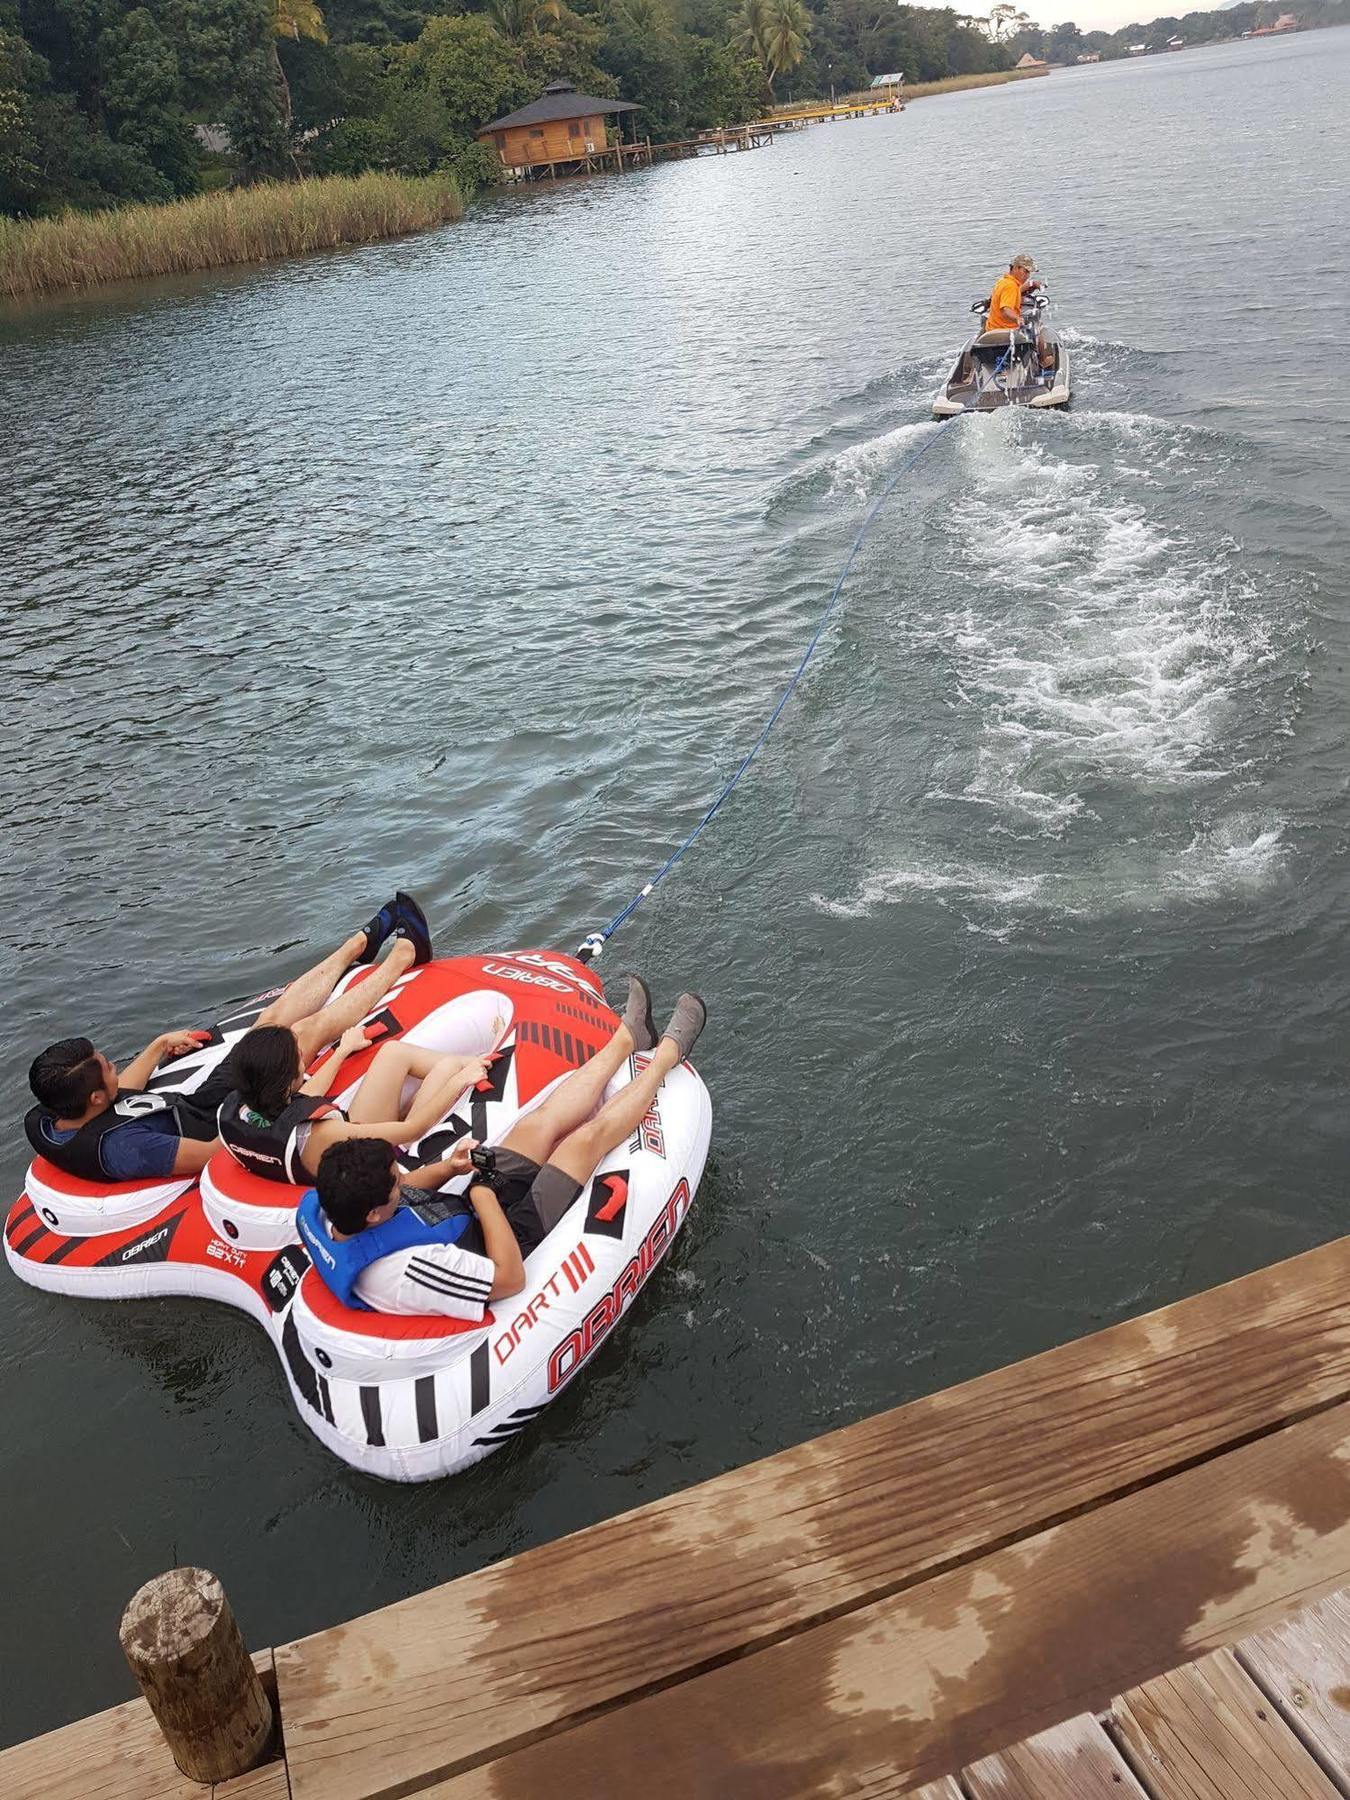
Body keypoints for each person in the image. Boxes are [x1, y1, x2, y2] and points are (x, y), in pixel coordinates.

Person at [300, 976, 707, 1319]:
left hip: (471, 1211)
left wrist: (450, 1169)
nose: (399, 1180)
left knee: (538, 1125)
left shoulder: (339, 1203)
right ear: (372, 1214)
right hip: (508, 1243)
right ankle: (667, 1056)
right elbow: (510, 1278)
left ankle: (627, 1038)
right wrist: (483, 1196)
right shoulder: (406, 1272)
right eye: (392, 1183)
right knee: (583, 1142)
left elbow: (407, 1186)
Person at [25, 892, 432, 1184]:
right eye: (107, 1066)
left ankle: (356, 947)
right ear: (93, 1097)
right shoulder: (127, 1148)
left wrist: (157, 1046)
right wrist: (270, 1100)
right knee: (298, 1038)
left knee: (269, 1021)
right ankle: (403, 957)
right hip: (220, 1121)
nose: (115, 1065)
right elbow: (210, 1154)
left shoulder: (53, 1113)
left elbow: (121, 1095)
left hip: (195, 1104)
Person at [217, 1023, 497, 1185]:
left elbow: (309, 1092)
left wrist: (343, 1050)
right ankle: (481, 1063)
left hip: (349, 1139)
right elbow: (413, 1128)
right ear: (288, 1079)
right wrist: (461, 1080)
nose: (304, 1061)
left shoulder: (241, 1106)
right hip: (376, 1160)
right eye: (300, 1057)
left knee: (392, 1053)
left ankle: (473, 1061)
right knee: (448, 1069)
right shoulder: (319, 1134)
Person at [984, 252, 1040, 332]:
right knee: (1038, 328)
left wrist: (1031, 285)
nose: (1027, 276)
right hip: (1006, 329)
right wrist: (1018, 318)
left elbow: (1014, 293)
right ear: (1016, 268)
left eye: (1029, 273)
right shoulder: (1011, 286)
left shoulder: (1003, 281)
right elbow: (1006, 309)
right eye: (1026, 271)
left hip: (993, 327)